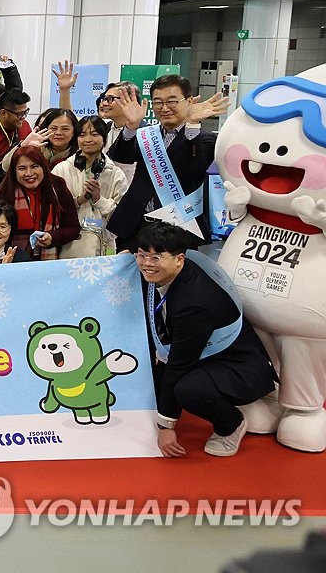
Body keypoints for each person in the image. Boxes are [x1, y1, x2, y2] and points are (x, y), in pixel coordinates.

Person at [135, 221, 276, 458]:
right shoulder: (176, 269)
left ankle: (231, 424)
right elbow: (144, 255)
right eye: (142, 255)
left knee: (188, 390)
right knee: (150, 375)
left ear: (179, 259)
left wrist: (166, 426)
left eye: (156, 257)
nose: (146, 264)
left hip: (239, 365)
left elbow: (179, 364)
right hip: (205, 352)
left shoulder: (193, 303)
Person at [107, 75, 226, 249]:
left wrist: (192, 125)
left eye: (172, 101)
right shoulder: (146, 134)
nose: (164, 108)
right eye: (158, 102)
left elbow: (194, 167)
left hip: (180, 226)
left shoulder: (205, 139)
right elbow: (121, 156)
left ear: (189, 101)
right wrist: (131, 127)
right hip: (137, 224)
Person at [52, 116, 128, 258]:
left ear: (104, 139)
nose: (87, 139)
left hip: (104, 248)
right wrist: (79, 200)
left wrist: (99, 200)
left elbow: (123, 219)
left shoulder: (116, 174)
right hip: (68, 248)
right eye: (82, 135)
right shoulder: (61, 170)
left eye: (94, 134)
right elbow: (51, 210)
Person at [0, 145, 81, 260]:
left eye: (34, 166)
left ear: (43, 167)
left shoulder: (57, 186)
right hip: (13, 260)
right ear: (14, 171)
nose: (29, 173)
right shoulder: (5, 192)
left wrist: (52, 237)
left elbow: (73, 228)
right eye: (22, 168)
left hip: (51, 262)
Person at [4, 108, 78, 173]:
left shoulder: (80, 153)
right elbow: (6, 167)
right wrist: (23, 146)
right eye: (53, 128)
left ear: (74, 131)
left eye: (65, 129)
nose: (58, 133)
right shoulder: (36, 147)